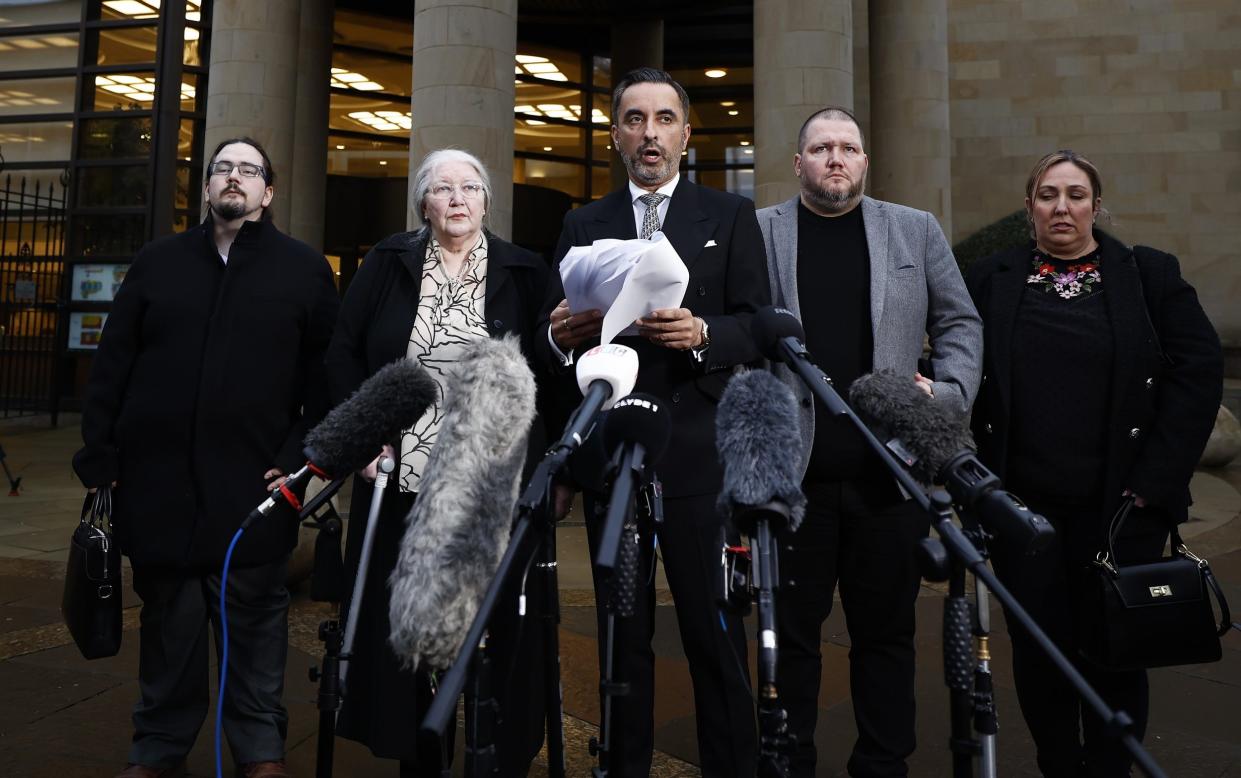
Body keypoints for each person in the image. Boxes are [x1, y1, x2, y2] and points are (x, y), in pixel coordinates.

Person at [73, 137, 340, 778]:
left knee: (255, 626)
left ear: (267, 193)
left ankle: (259, 752)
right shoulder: (158, 262)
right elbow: (113, 366)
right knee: (170, 627)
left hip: (256, 486)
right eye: (224, 168)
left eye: (250, 171)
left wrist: (300, 459)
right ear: (208, 186)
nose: (235, 178)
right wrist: (101, 454)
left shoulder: (303, 271)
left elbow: (325, 381)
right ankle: (159, 750)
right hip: (158, 485)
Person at [534, 67, 770, 777]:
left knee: (712, 631)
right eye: (634, 119)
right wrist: (558, 336)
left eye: (664, 119)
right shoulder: (583, 223)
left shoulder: (728, 216)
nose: (649, 133)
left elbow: (759, 326)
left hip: (700, 457)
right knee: (620, 638)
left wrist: (702, 333)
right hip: (615, 454)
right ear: (614, 136)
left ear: (686, 134)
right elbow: (547, 344)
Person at [966, 149, 1223, 776]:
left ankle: (1111, 768)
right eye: (1048, 195)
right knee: (1039, 652)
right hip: (1023, 513)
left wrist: (1155, 483)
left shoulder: (1148, 276)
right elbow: (955, 353)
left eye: (1076, 195)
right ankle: (1059, 764)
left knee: (1118, 650)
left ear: (1096, 205)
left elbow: (1200, 371)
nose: (1062, 207)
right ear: (1029, 207)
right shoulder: (989, 279)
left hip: (1121, 508)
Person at [755, 106, 983, 777]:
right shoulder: (760, 231)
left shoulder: (913, 230)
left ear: (863, 161)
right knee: (789, 642)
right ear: (797, 163)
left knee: (884, 639)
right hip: (790, 480)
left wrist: (945, 395)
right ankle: (787, 763)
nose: (834, 159)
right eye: (820, 148)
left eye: (847, 148)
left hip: (890, 476)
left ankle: (882, 765)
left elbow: (959, 322)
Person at [324, 148, 554, 777]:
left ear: (486, 202)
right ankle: (419, 761)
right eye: (443, 188)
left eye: (470, 188)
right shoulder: (389, 263)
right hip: (398, 476)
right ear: (423, 202)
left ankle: (490, 758)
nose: (457, 198)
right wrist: (364, 436)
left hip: (488, 487)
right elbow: (344, 352)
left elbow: (550, 370)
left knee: (491, 632)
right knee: (405, 639)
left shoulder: (526, 270)